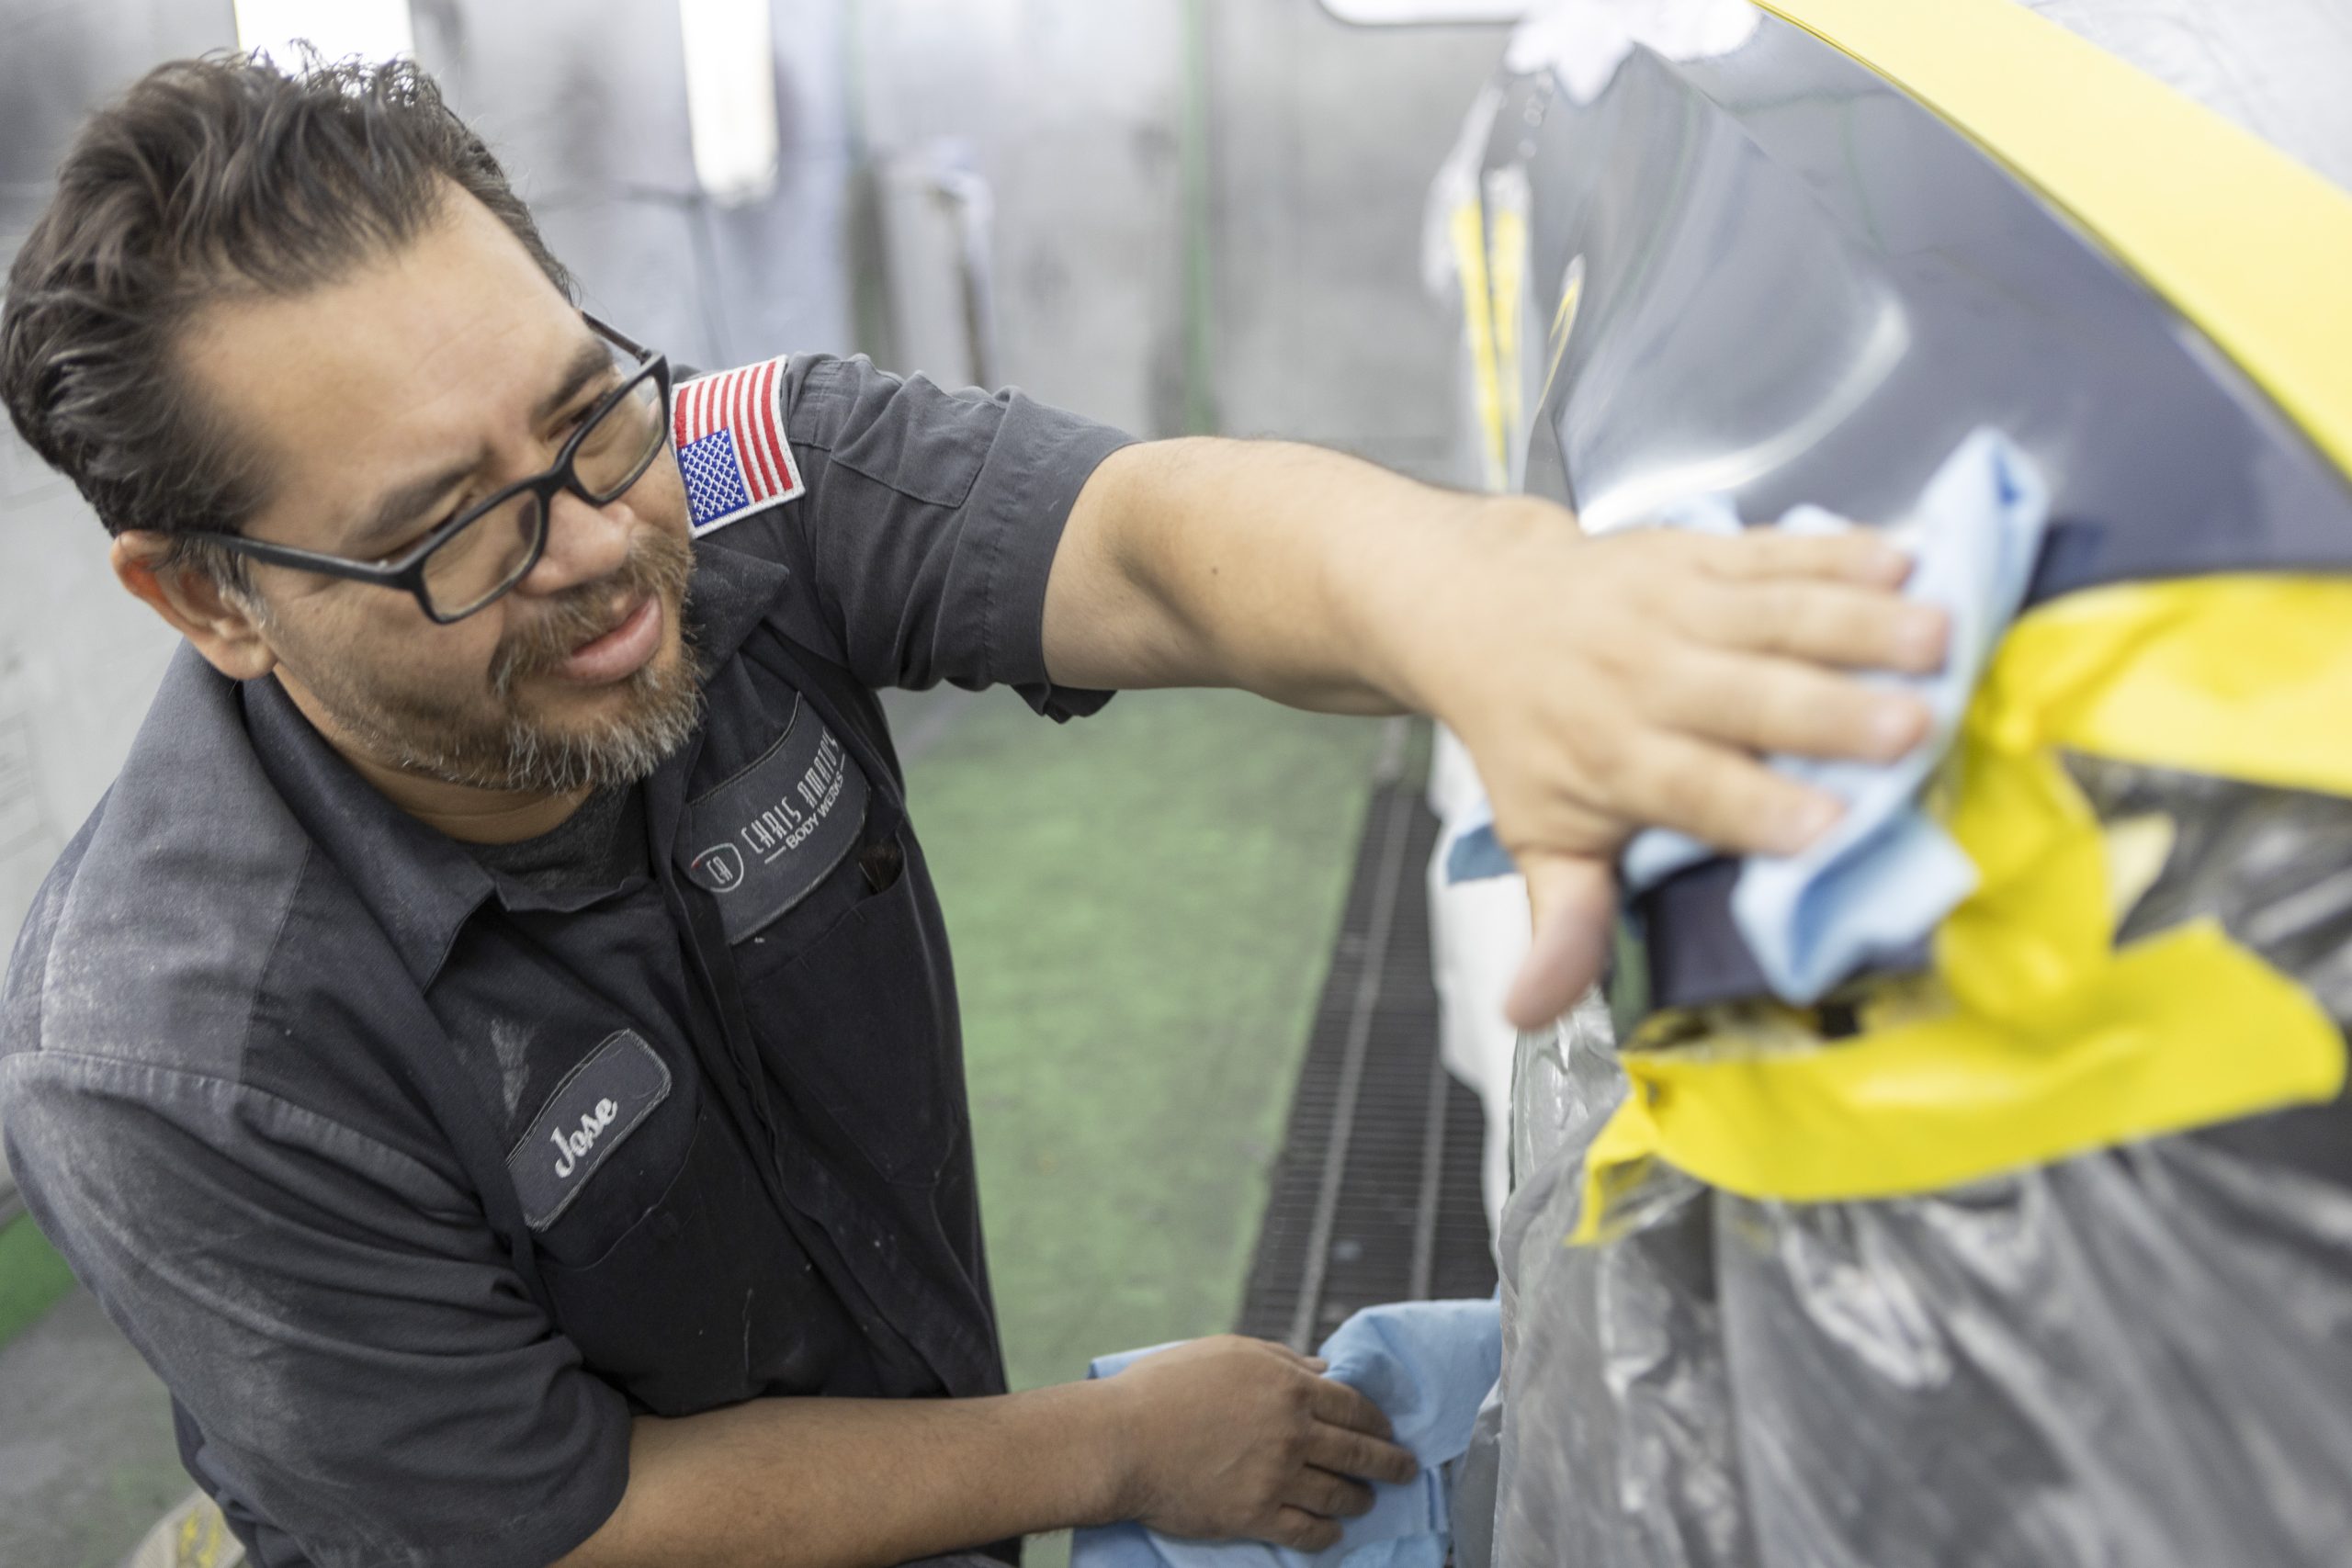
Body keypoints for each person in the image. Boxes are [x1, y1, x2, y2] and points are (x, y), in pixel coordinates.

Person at [0, 53, 1946, 1568]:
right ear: (207, 597)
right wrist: (1112, 1445)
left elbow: (1151, 546)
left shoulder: (729, 475)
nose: (595, 544)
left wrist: (1487, 601)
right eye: (449, 529)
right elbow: (572, 1519)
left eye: (585, 412)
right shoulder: (177, 1059)